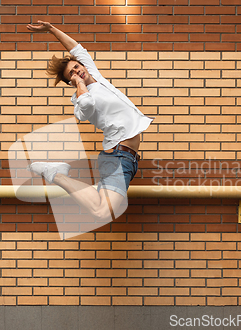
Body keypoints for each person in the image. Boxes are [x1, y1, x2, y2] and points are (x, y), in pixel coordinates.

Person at [26, 21, 154, 222]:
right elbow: (85, 107)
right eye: (72, 74)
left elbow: (75, 47)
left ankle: (56, 173)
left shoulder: (96, 76)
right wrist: (79, 84)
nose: (78, 72)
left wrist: (51, 29)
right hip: (118, 157)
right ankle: (56, 175)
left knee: (101, 209)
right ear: (70, 82)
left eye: (77, 67)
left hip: (126, 158)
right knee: (102, 211)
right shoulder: (80, 100)